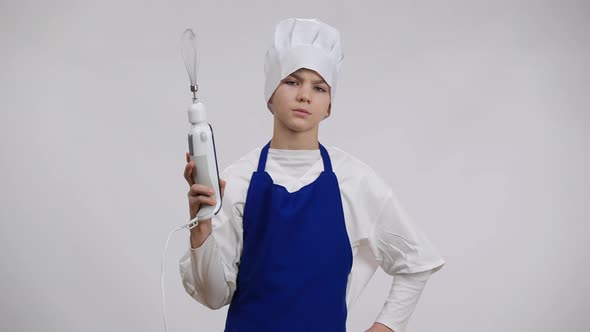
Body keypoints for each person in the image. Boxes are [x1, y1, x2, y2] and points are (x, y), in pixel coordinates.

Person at [179, 18, 445, 332]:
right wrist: (202, 228)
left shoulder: (355, 181)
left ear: (329, 106)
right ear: (270, 95)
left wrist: (385, 327)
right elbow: (213, 296)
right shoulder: (237, 180)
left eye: (318, 87)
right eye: (292, 81)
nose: (305, 95)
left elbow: (418, 262)